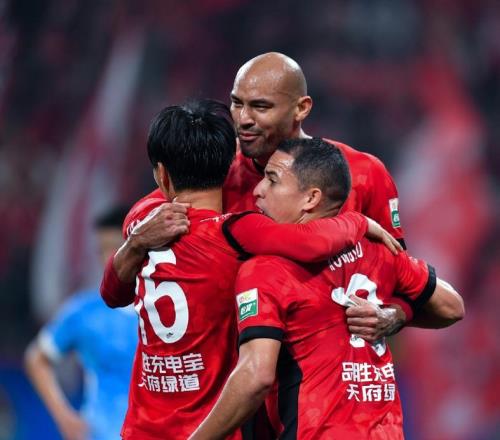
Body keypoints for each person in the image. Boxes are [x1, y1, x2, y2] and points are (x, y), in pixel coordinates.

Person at [101, 99, 400, 440]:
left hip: (142, 428)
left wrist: (135, 243)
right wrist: (358, 221)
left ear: (162, 174)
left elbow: (111, 294)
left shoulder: (141, 220)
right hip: (209, 429)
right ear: (231, 164)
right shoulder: (235, 232)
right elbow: (311, 242)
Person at [105, 51, 423, 338]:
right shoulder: (221, 170)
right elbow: (149, 209)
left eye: (260, 107)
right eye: (237, 103)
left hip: (326, 374)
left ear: (301, 108)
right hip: (245, 370)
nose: (243, 119)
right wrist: (137, 237)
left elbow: (402, 279)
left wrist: (394, 315)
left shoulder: (364, 174)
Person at [190, 138, 465, 440]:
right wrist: (396, 316)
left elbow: (255, 377)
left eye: (272, 180)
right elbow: (452, 307)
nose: (258, 190)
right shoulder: (378, 250)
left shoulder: (266, 270)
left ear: (311, 198)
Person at [24, 206, 137, 440]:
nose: (108, 257)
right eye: (102, 249)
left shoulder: (165, 308)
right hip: (100, 433)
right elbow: (37, 358)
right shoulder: (85, 312)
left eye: (116, 247)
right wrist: (64, 417)